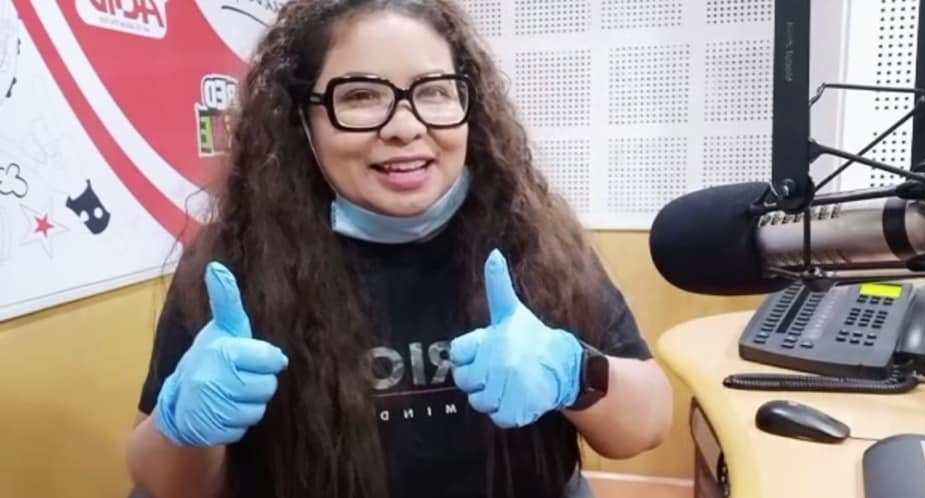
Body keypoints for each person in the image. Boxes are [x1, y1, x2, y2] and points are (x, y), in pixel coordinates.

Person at [124, 1, 674, 498]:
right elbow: (162, 484)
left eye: (434, 90)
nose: (406, 127)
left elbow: (647, 424)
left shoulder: (533, 235)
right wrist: (183, 429)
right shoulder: (238, 261)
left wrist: (576, 374)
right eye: (360, 96)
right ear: (301, 121)